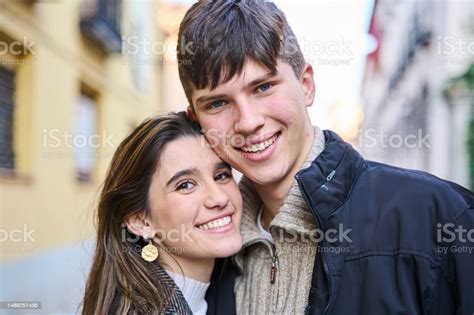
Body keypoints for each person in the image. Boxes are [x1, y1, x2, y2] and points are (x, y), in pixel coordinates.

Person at [176, 1, 474, 314]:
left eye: (263, 87)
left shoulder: (437, 216)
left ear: (306, 84)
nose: (248, 122)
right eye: (217, 104)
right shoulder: (211, 253)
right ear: (196, 119)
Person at [81, 112, 242, 314]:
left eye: (221, 175)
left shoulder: (230, 290)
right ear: (141, 221)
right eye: (185, 185)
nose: (219, 198)